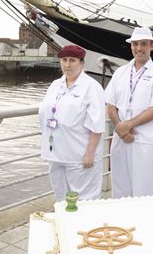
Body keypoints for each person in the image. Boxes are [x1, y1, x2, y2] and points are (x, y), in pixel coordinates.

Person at [105, 26, 153, 198]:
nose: (139, 48)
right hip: (121, 138)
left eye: (143, 44)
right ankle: (122, 224)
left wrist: (128, 125)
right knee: (120, 187)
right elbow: (110, 104)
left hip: (145, 141)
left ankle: (145, 224)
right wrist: (120, 127)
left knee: (145, 189)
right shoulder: (121, 72)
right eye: (135, 44)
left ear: (152, 46)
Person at [39, 45, 106, 201]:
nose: (67, 65)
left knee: (84, 200)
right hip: (56, 155)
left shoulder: (91, 87)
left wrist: (89, 154)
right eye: (64, 60)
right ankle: (65, 225)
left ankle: (86, 226)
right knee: (61, 199)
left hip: (80, 156)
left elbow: (96, 125)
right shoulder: (56, 85)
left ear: (82, 63)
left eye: (72, 60)